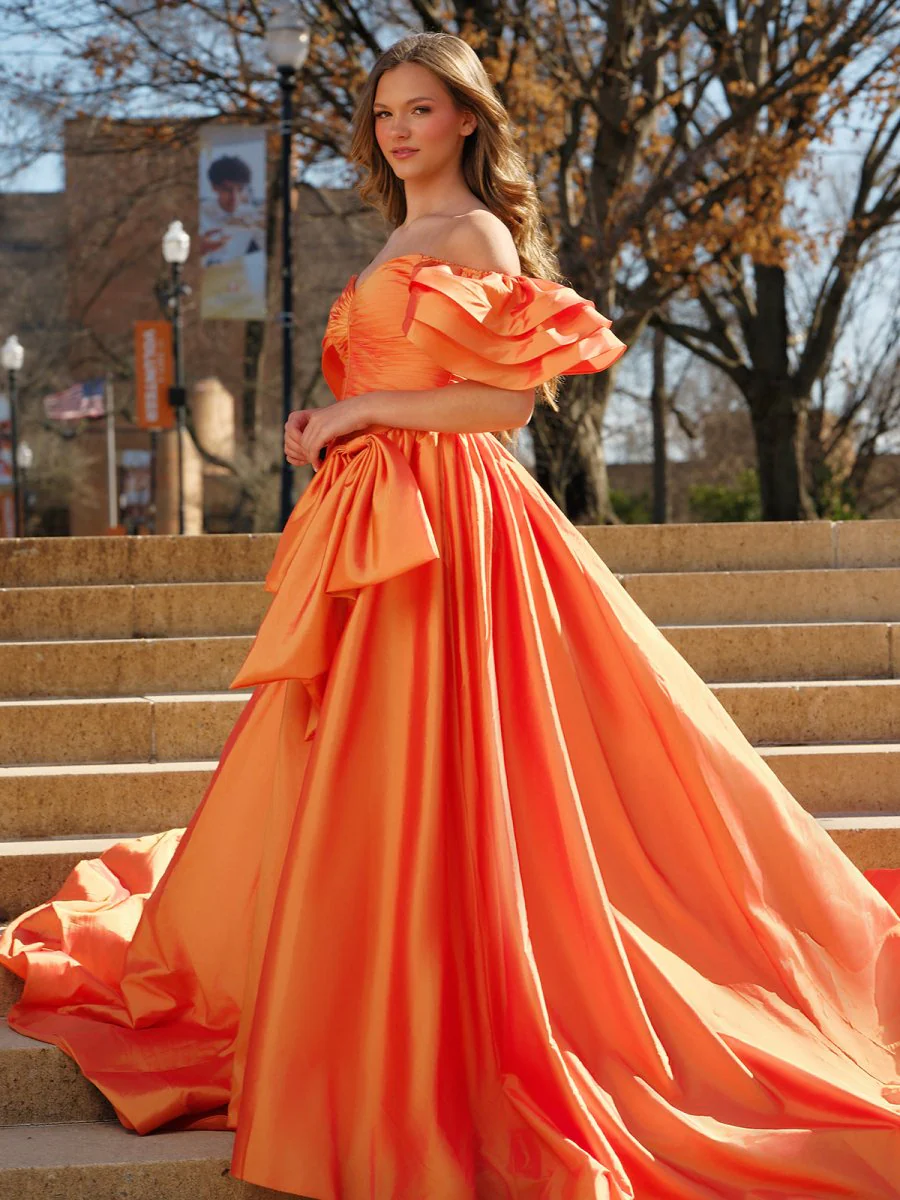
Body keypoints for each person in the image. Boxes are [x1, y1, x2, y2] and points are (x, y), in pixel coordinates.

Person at [3, 30, 900, 1200]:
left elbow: (509, 402)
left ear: (467, 118)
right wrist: (337, 423)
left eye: (420, 110)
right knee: (371, 766)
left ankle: (433, 1020)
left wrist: (358, 409)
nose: (399, 130)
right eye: (384, 115)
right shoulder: (403, 236)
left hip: (447, 527)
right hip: (383, 513)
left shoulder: (471, 232)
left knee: (438, 763)